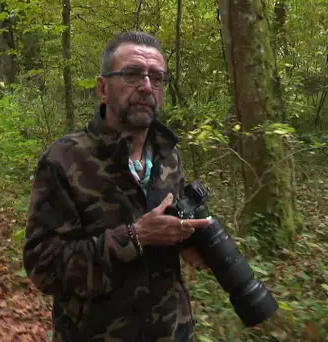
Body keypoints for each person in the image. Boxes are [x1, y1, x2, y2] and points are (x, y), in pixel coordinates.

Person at [23, 31, 212, 342]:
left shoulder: (169, 155)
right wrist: (135, 237)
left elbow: (168, 231)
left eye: (157, 77)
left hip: (172, 330)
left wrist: (188, 243)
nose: (147, 87)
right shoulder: (65, 159)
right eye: (132, 74)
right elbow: (43, 266)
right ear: (103, 88)